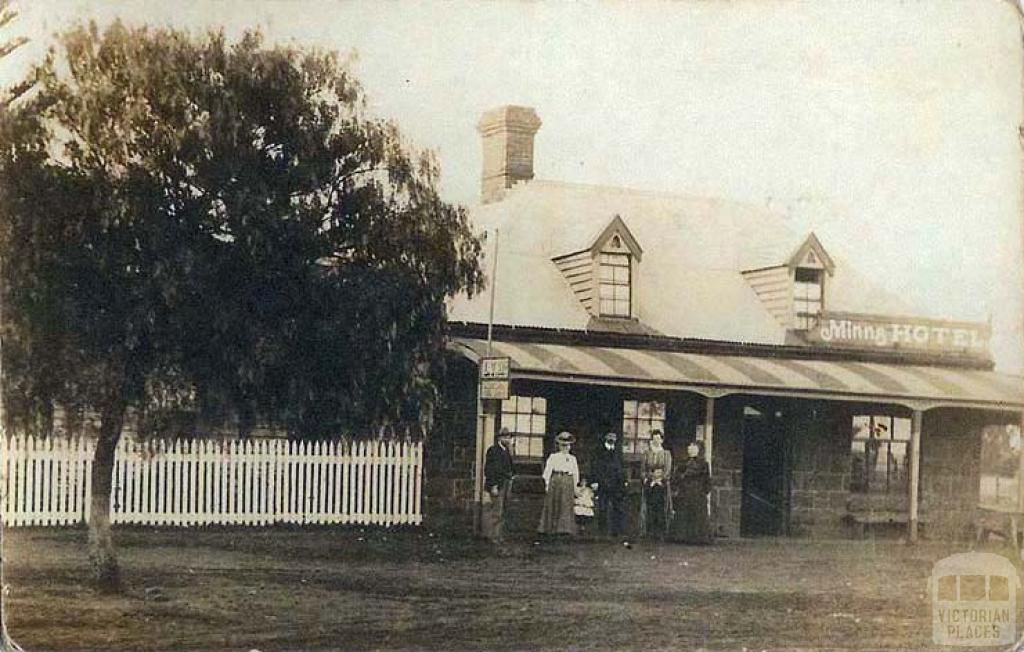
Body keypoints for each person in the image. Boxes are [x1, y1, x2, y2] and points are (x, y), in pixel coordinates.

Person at [668, 442, 713, 544]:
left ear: (698, 450)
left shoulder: (703, 464)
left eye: (694, 449)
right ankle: (682, 537)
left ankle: (699, 538)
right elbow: (676, 477)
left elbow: (707, 480)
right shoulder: (683, 463)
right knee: (684, 514)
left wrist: (705, 491)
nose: (691, 451)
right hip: (685, 492)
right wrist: (680, 482)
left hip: (698, 493)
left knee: (698, 515)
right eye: (690, 449)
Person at [537, 431, 579, 537]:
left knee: (566, 504)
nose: (565, 447)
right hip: (556, 481)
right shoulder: (553, 457)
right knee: (554, 503)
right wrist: (547, 484)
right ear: (559, 446)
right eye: (563, 445)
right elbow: (547, 472)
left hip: (568, 482)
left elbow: (575, 473)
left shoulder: (573, 459)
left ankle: (565, 529)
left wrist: (575, 487)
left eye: (567, 445)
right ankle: (552, 528)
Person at [482, 427, 515, 544]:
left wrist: (512, 477)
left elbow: (510, 467)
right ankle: (492, 536)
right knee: (497, 510)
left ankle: (499, 535)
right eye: (505, 437)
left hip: (506, 483)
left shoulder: (507, 451)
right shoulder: (493, 451)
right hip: (497, 484)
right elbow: (489, 470)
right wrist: (493, 486)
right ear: (499, 438)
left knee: (504, 510)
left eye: (509, 437)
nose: (508, 439)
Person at [592, 431, 627, 538]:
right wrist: (594, 481)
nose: (612, 438)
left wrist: (624, 481)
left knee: (618, 508)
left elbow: (622, 467)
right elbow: (594, 467)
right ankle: (602, 532)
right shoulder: (598, 451)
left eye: (614, 436)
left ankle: (617, 531)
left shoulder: (618, 452)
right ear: (605, 437)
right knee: (603, 508)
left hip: (616, 484)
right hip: (603, 483)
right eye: (609, 436)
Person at [640, 430, 673, 540]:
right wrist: (650, 478)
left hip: (662, 485)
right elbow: (643, 470)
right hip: (650, 484)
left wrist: (660, 479)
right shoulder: (646, 454)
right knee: (650, 507)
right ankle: (649, 532)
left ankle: (661, 533)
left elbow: (668, 470)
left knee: (661, 507)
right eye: (654, 439)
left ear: (662, 440)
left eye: (658, 439)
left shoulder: (666, 454)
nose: (656, 441)